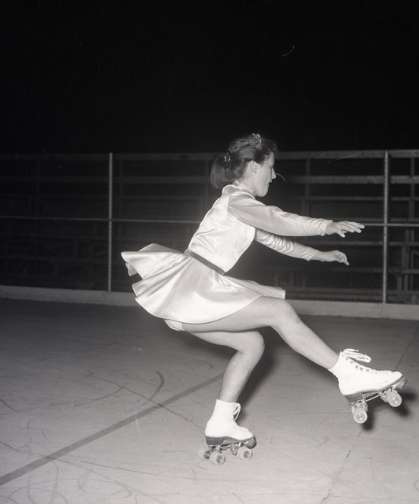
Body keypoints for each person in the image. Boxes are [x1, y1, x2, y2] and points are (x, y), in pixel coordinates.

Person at [122, 133, 403, 447]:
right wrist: (326, 225)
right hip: (194, 291)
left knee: (252, 344)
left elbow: (278, 241)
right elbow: (277, 220)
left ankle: (220, 422)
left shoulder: (241, 208)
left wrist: (320, 255)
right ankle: (348, 375)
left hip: (193, 294)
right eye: (271, 167)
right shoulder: (237, 200)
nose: (274, 174)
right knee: (279, 311)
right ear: (254, 168)